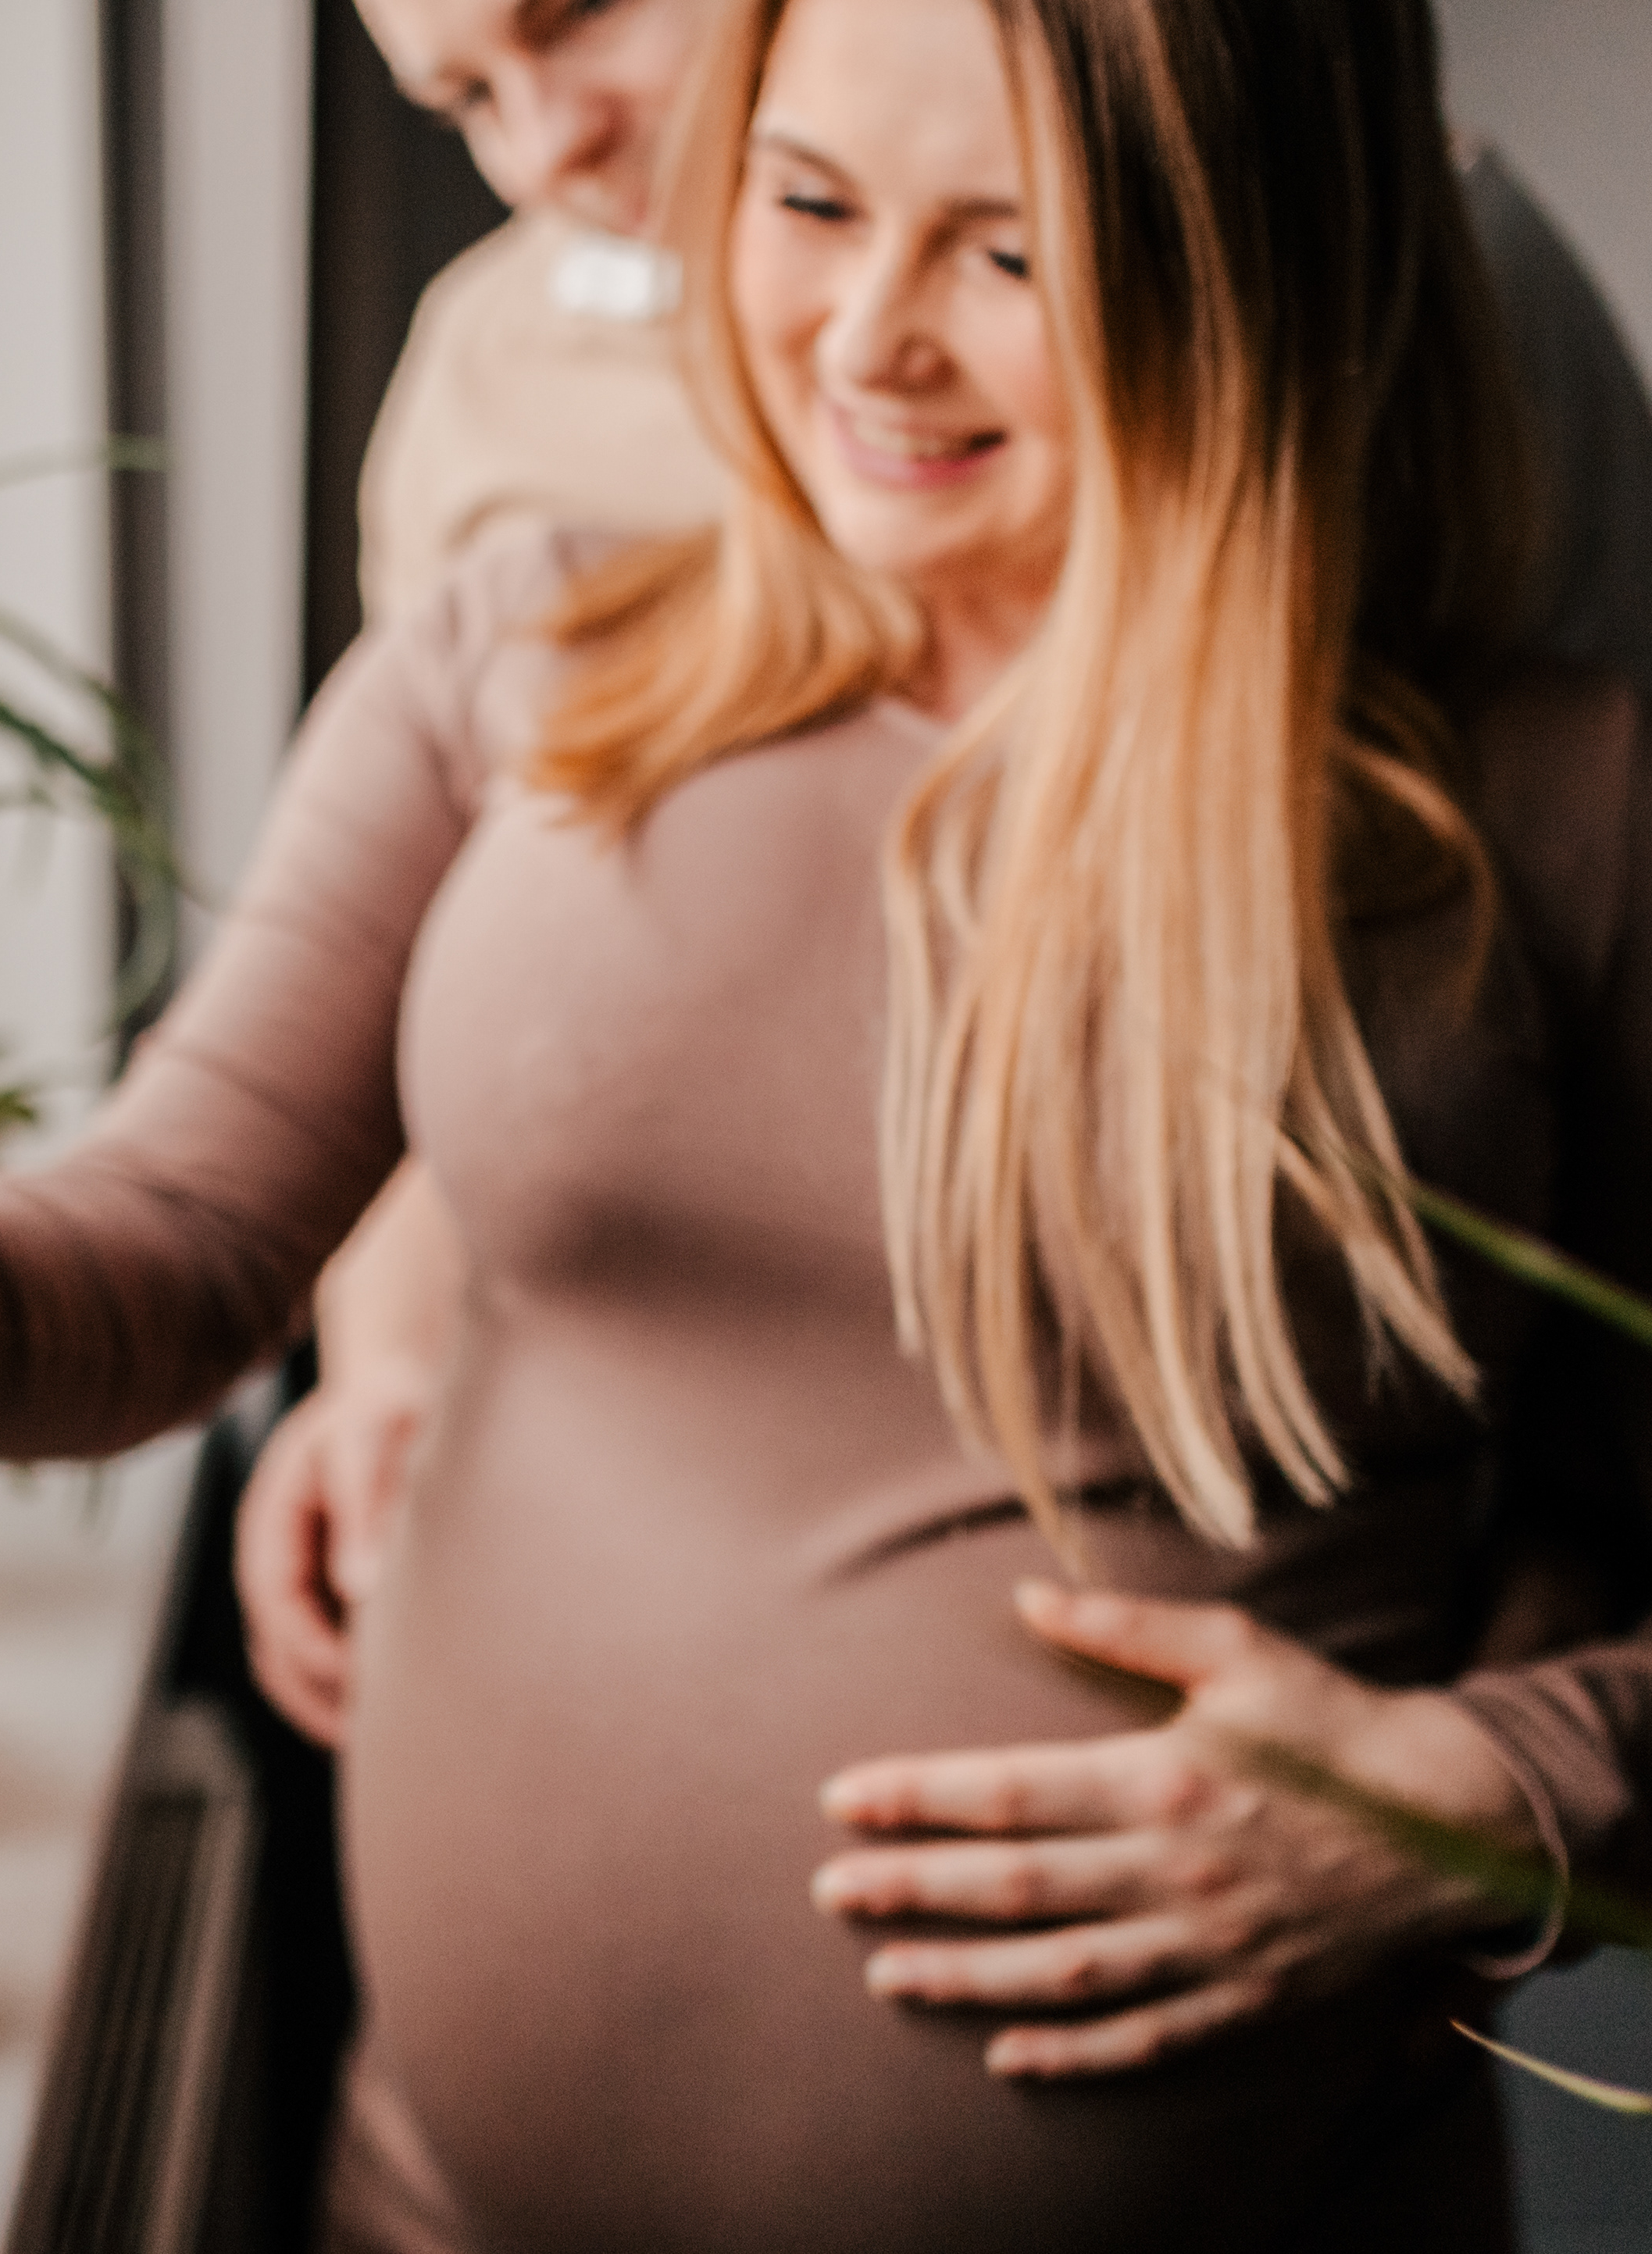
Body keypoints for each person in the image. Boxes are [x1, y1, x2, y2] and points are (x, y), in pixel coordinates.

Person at [0, 1, 1652, 2244]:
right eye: (810, 200)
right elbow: (133, 1280)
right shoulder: (521, 651)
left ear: (1257, 262)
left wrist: (1478, 1789)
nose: (869, 337)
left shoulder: (1561, 819)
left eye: (1007, 252)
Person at [241, 0, 1652, 1767]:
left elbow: (1574, 1084)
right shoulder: (493, 367)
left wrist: (1469, 1782)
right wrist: (387, 1364)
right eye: (462, 96)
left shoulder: (1418, 283)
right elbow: (439, 984)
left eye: (577, 17)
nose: (541, 151)